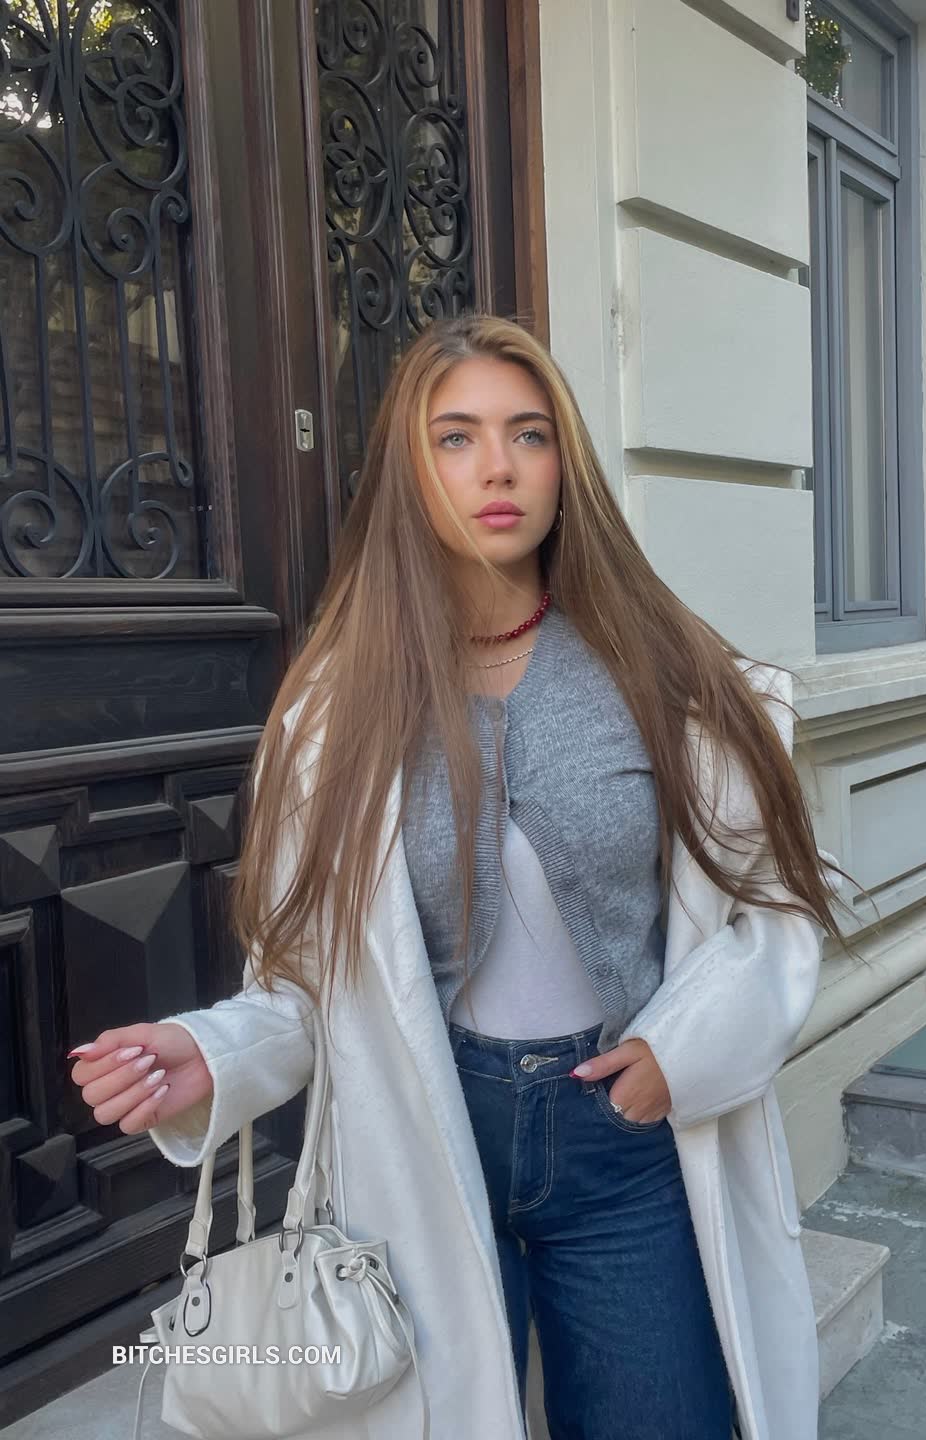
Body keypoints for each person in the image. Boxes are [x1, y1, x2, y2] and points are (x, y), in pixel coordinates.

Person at [68, 314, 839, 1440]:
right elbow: (312, 983)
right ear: (409, 469)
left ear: (564, 464)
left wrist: (682, 1052)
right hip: (426, 1143)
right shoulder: (336, 710)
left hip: (625, 1140)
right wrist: (212, 1054)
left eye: (529, 435)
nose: (498, 468)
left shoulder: (668, 675)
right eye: (456, 437)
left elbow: (774, 911)